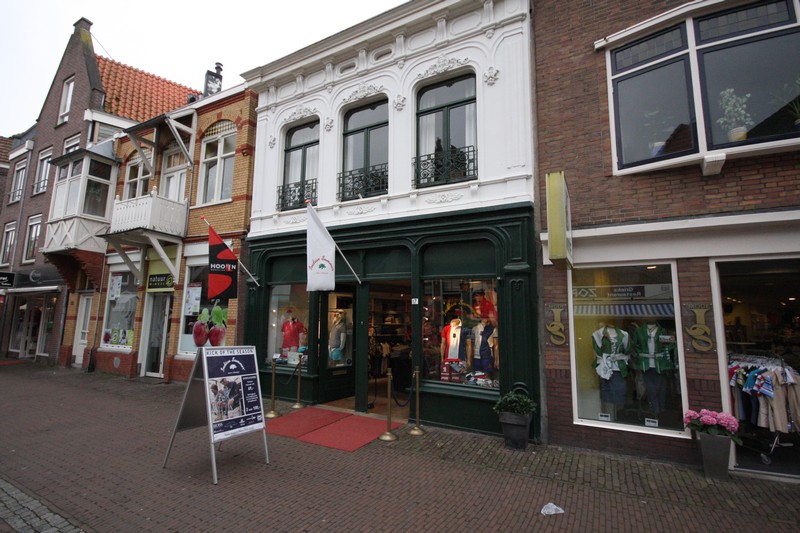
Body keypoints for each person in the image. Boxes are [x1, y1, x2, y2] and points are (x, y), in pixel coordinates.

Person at [631, 321, 676, 413]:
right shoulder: (639, 331)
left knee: (661, 388)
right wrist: (639, 355)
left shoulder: (663, 331)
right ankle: (655, 409)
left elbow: (672, 344)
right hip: (645, 364)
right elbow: (634, 345)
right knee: (650, 388)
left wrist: (664, 352)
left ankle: (661, 409)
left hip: (661, 364)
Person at [592, 325, 630, 419]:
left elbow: (628, 349)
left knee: (619, 390)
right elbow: (597, 350)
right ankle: (608, 415)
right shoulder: (598, 334)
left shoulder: (624, 334)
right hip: (604, 368)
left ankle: (618, 416)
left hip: (619, 368)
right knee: (606, 391)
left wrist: (619, 357)